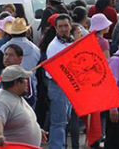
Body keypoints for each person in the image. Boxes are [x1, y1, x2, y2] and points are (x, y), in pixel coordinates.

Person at [0, 65, 45, 148]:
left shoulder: (15, 95)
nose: (27, 82)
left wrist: (38, 130)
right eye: (24, 79)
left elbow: (20, 119)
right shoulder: (1, 101)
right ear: (16, 83)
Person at [46, 14, 72, 149]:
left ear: (70, 26)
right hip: (58, 86)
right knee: (59, 122)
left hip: (69, 87)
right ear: (56, 29)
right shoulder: (53, 47)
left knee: (65, 120)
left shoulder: (73, 42)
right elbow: (55, 73)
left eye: (66, 26)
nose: (64, 29)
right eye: (60, 27)